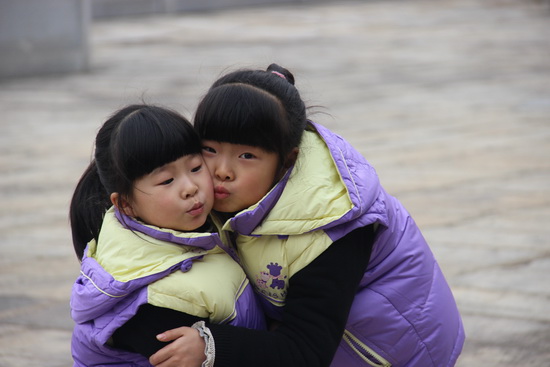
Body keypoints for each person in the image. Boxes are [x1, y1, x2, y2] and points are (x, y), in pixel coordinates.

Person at [150, 64, 465, 367]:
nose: (222, 171)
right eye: (209, 149)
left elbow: (307, 352)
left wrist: (211, 347)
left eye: (247, 155)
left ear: (287, 162)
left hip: (388, 352)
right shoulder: (223, 193)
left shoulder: (331, 224)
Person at [69, 104, 266, 367]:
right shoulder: (147, 300)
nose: (190, 187)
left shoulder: (209, 228)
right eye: (166, 181)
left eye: (195, 167)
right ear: (126, 204)